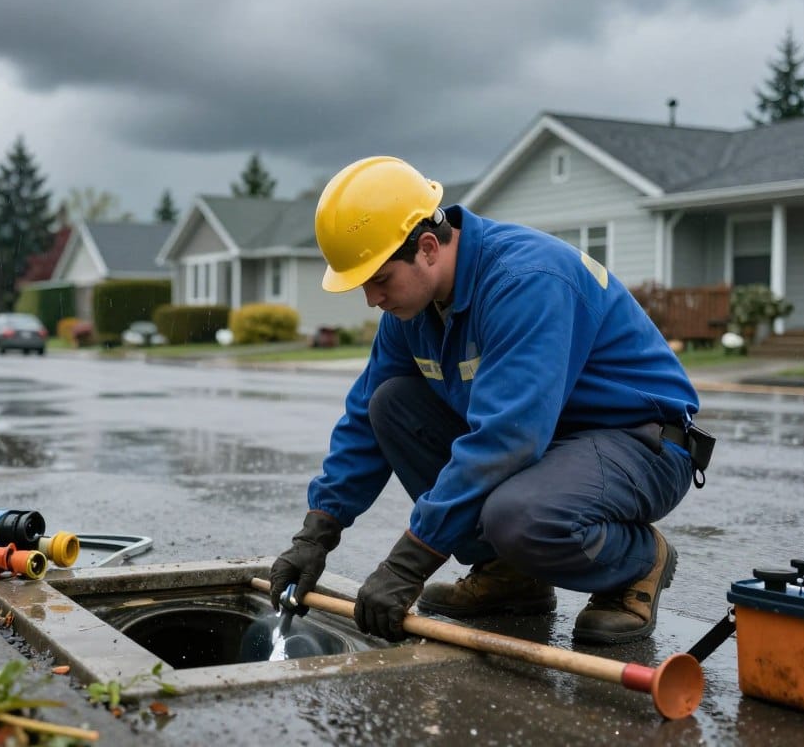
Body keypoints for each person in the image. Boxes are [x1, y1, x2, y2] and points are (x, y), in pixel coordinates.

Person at [268, 156, 712, 645]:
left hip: (640, 441)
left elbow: (506, 440)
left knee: (520, 515)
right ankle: (509, 577)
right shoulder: (410, 312)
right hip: (555, 446)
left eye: (379, 279)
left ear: (429, 247)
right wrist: (317, 533)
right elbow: (362, 421)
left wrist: (407, 565)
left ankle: (638, 562)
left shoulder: (525, 281)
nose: (372, 299)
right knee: (389, 404)